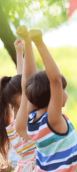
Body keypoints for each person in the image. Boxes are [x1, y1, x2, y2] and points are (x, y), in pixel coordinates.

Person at [15, 26, 77, 172]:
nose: (64, 92)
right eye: (63, 89)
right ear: (53, 96)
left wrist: (27, 41)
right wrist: (39, 43)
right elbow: (55, 79)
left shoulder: (32, 119)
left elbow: (28, 79)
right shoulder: (53, 121)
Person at [0, 39, 37, 172]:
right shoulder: (26, 121)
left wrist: (20, 52)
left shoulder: (15, 125)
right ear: (22, 99)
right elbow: (25, 80)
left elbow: (22, 80)